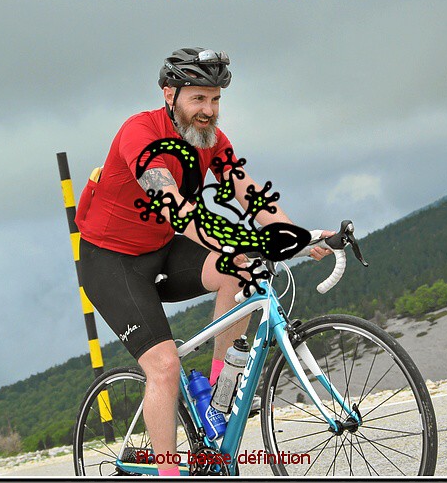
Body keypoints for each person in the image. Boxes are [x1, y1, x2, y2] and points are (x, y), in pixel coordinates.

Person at [76, 47, 334, 476]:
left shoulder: (210, 139)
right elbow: (174, 208)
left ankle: (218, 396)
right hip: (111, 261)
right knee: (164, 367)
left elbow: (248, 193)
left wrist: (298, 236)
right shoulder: (139, 133)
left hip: (162, 249)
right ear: (169, 95)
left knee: (243, 268)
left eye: (215, 99)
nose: (208, 110)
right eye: (198, 98)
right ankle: (169, 473)